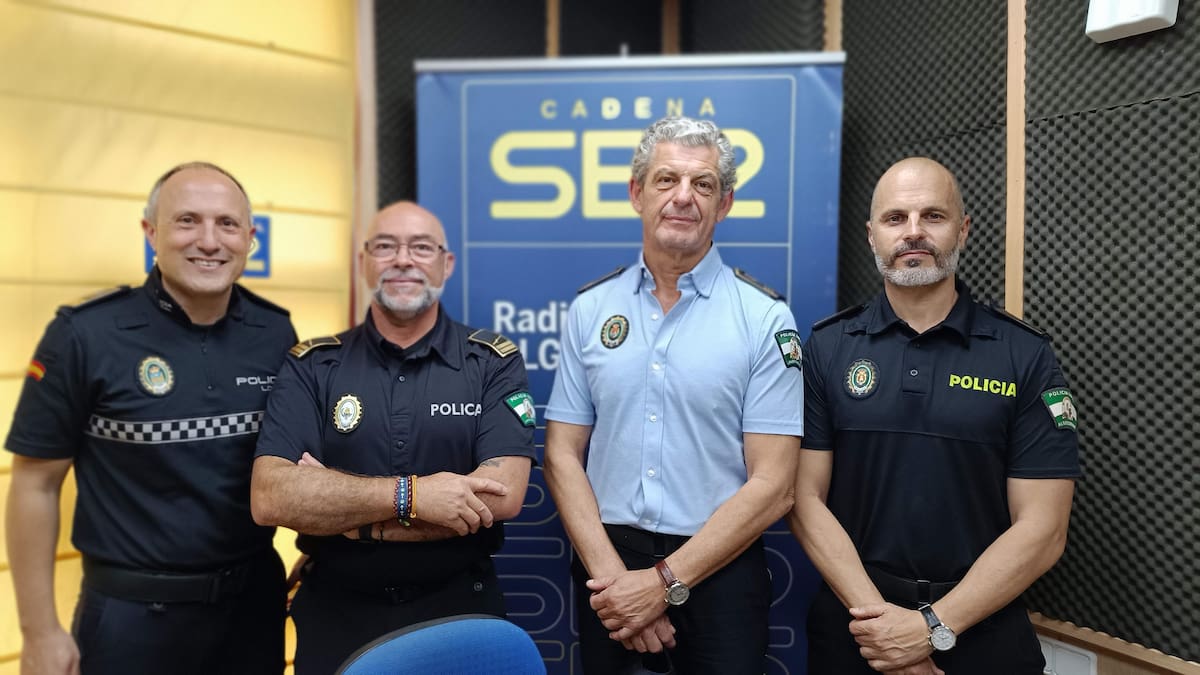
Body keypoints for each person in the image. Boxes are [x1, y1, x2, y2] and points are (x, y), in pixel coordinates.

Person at [789, 157, 1081, 675]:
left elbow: (1044, 528)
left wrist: (930, 627)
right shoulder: (828, 348)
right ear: (872, 235)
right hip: (857, 627)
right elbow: (803, 500)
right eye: (895, 218)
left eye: (933, 216)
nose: (913, 232)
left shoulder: (1023, 354)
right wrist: (885, 631)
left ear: (962, 229)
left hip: (984, 627)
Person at [5, 162, 296, 674]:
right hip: (130, 620)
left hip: (252, 609)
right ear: (151, 232)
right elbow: (35, 483)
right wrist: (38, 631)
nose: (209, 241)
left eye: (227, 224)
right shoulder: (84, 335)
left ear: (250, 238)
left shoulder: (275, 332)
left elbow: (295, 463)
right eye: (187, 220)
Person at [543, 116, 803, 674]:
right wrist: (618, 584)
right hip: (608, 570)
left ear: (724, 203)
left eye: (703, 184)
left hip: (721, 571)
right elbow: (561, 454)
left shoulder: (765, 319)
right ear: (636, 193)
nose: (683, 197)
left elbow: (776, 485)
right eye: (666, 180)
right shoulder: (591, 309)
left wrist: (662, 584)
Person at [250, 201, 537, 674]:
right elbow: (271, 497)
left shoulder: (492, 362)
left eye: (421, 247)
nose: (403, 259)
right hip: (337, 615)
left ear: (447, 263)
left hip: (460, 612)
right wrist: (413, 496)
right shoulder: (312, 366)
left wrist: (351, 519)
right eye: (386, 246)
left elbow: (501, 496)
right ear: (363, 261)